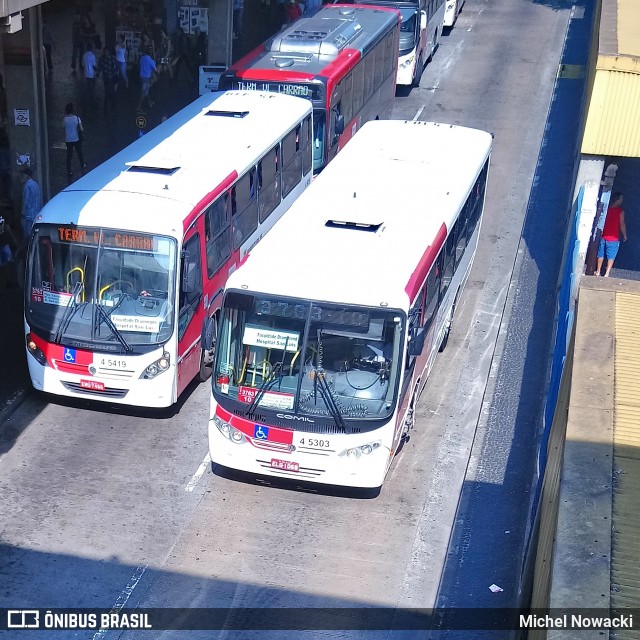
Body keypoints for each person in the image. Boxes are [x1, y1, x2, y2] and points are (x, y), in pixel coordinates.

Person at [595, 192, 627, 277]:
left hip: (604, 236)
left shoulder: (607, 209)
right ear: (618, 200)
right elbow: (622, 224)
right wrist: (624, 235)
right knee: (611, 256)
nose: (622, 200)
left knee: (600, 254)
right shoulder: (620, 211)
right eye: (621, 199)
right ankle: (607, 273)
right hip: (614, 238)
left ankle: (598, 271)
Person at [63, 103, 86, 182]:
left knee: (69, 155)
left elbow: (62, 127)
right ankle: (82, 165)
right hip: (76, 139)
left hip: (68, 140)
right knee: (79, 153)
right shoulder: (77, 118)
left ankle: (69, 170)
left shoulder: (65, 119)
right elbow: (81, 129)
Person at [20, 167, 42, 239]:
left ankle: (27, 249)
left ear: (27, 176)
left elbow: (25, 201)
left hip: (28, 216)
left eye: (23, 175)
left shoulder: (27, 185)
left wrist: (22, 213)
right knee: (34, 235)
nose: (21, 177)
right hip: (35, 215)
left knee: (28, 236)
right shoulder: (35, 184)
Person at [97, 46, 119, 115]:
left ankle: (107, 104)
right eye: (104, 51)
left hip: (111, 77)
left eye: (106, 51)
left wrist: (115, 74)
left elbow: (117, 67)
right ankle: (112, 101)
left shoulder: (113, 58)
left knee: (107, 90)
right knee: (109, 90)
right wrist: (97, 74)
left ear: (109, 52)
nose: (105, 53)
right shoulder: (102, 59)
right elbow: (99, 67)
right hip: (105, 77)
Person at [82, 41, 98, 106]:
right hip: (92, 74)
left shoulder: (84, 55)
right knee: (91, 88)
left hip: (86, 74)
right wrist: (97, 71)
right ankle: (90, 100)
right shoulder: (92, 56)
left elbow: (83, 65)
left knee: (90, 87)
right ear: (91, 48)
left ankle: (90, 99)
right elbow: (94, 66)